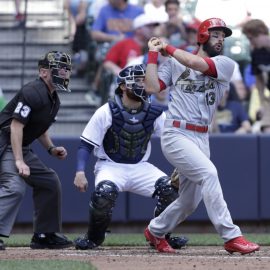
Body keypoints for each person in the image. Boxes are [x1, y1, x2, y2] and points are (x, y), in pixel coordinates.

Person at [143, 18, 260, 254]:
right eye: (215, 35)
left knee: (189, 202)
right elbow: (152, 88)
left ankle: (155, 231)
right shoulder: (175, 63)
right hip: (176, 132)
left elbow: (196, 63)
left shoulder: (225, 64)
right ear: (203, 36)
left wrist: (168, 48)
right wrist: (153, 55)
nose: (220, 40)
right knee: (209, 174)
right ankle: (231, 236)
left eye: (223, 37)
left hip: (201, 137)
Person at [73, 64, 188, 250]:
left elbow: (172, 139)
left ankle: (160, 236)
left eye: (145, 80)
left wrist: (183, 164)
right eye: (138, 80)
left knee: (171, 191)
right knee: (104, 195)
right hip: (110, 165)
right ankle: (93, 238)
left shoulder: (155, 112)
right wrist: (80, 171)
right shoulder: (106, 110)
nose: (143, 84)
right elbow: (86, 144)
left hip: (140, 166)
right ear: (123, 86)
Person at [0, 51, 74, 250]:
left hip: (17, 144)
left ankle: (44, 234)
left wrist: (51, 148)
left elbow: (39, 128)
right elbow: (16, 126)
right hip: (5, 143)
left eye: (67, 69)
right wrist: (18, 161)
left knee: (49, 182)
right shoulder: (32, 91)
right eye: (60, 68)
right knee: (15, 187)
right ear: (43, 72)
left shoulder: (53, 98)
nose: (65, 73)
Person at [242, 19, 270, 133]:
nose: (251, 43)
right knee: (267, 128)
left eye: (251, 39)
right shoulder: (256, 53)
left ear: (261, 33)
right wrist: (263, 103)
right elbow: (259, 81)